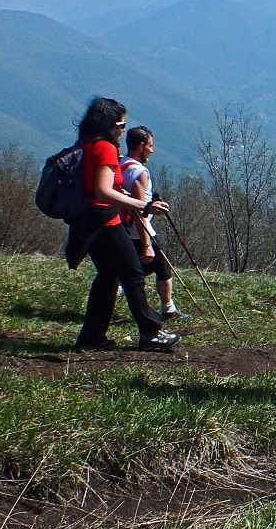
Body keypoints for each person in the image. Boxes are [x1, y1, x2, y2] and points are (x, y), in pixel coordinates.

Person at [66, 98, 180, 353]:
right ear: (109, 124)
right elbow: (103, 191)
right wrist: (143, 206)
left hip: (87, 223)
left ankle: (92, 336)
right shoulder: (105, 148)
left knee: (108, 277)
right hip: (106, 219)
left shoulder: (85, 145)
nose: (122, 130)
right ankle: (150, 333)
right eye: (121, 124)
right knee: (133, 273)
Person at [119, 126, 190, 322]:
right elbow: (138, 209)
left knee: (135, 269)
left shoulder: (120, 164)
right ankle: (168, 309)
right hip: (140, 231)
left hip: (122, 229)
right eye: (150, 145)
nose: (152, 150)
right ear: (141, 146)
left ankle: (115, 291)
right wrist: (146, 244)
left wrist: (152, 205)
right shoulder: (140, 172)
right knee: (162, 267)